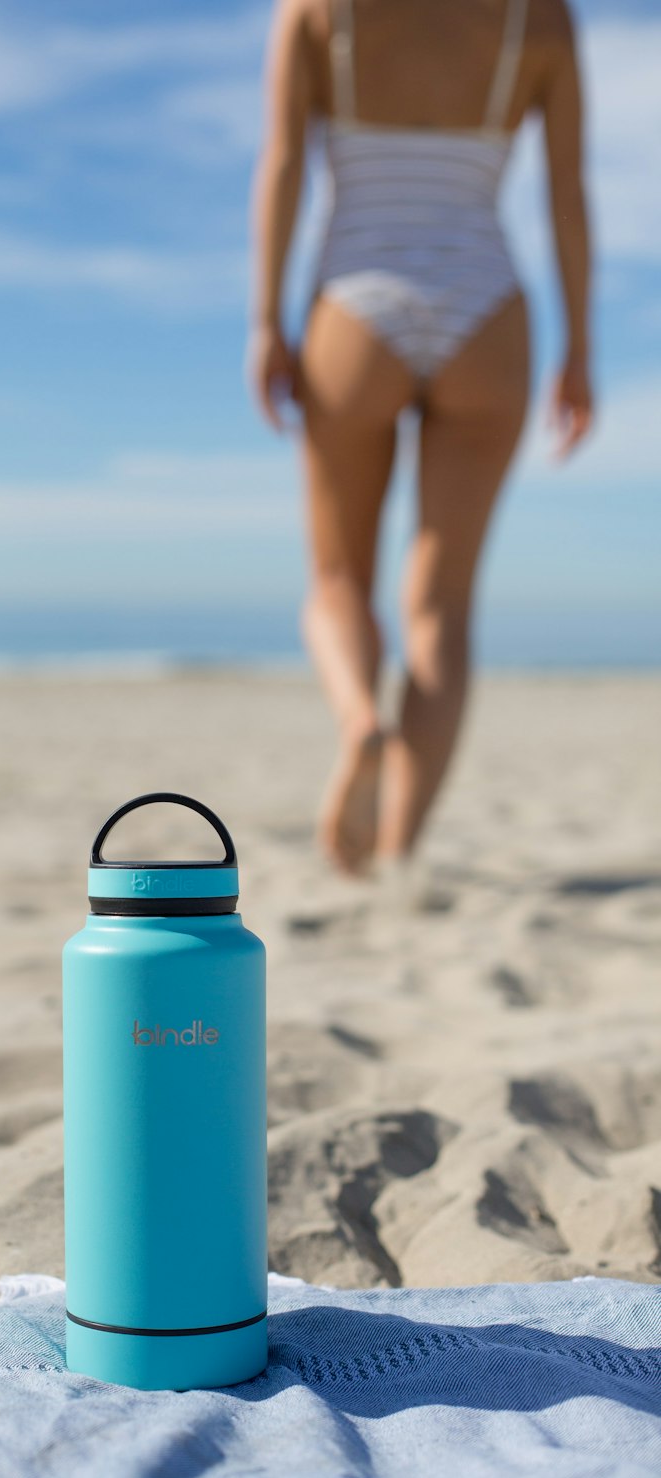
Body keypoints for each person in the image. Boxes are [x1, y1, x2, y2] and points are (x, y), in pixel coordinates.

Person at [250, 0, 592, 875]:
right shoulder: (539, 18)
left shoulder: (319, 12)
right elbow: (567, 193)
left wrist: (264, 324)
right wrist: (580, 348)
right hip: (488, 310)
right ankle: (399, 850)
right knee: (441, 610)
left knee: (335, 578)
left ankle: (360, 716)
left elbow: (285, 163)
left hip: (357, 303)